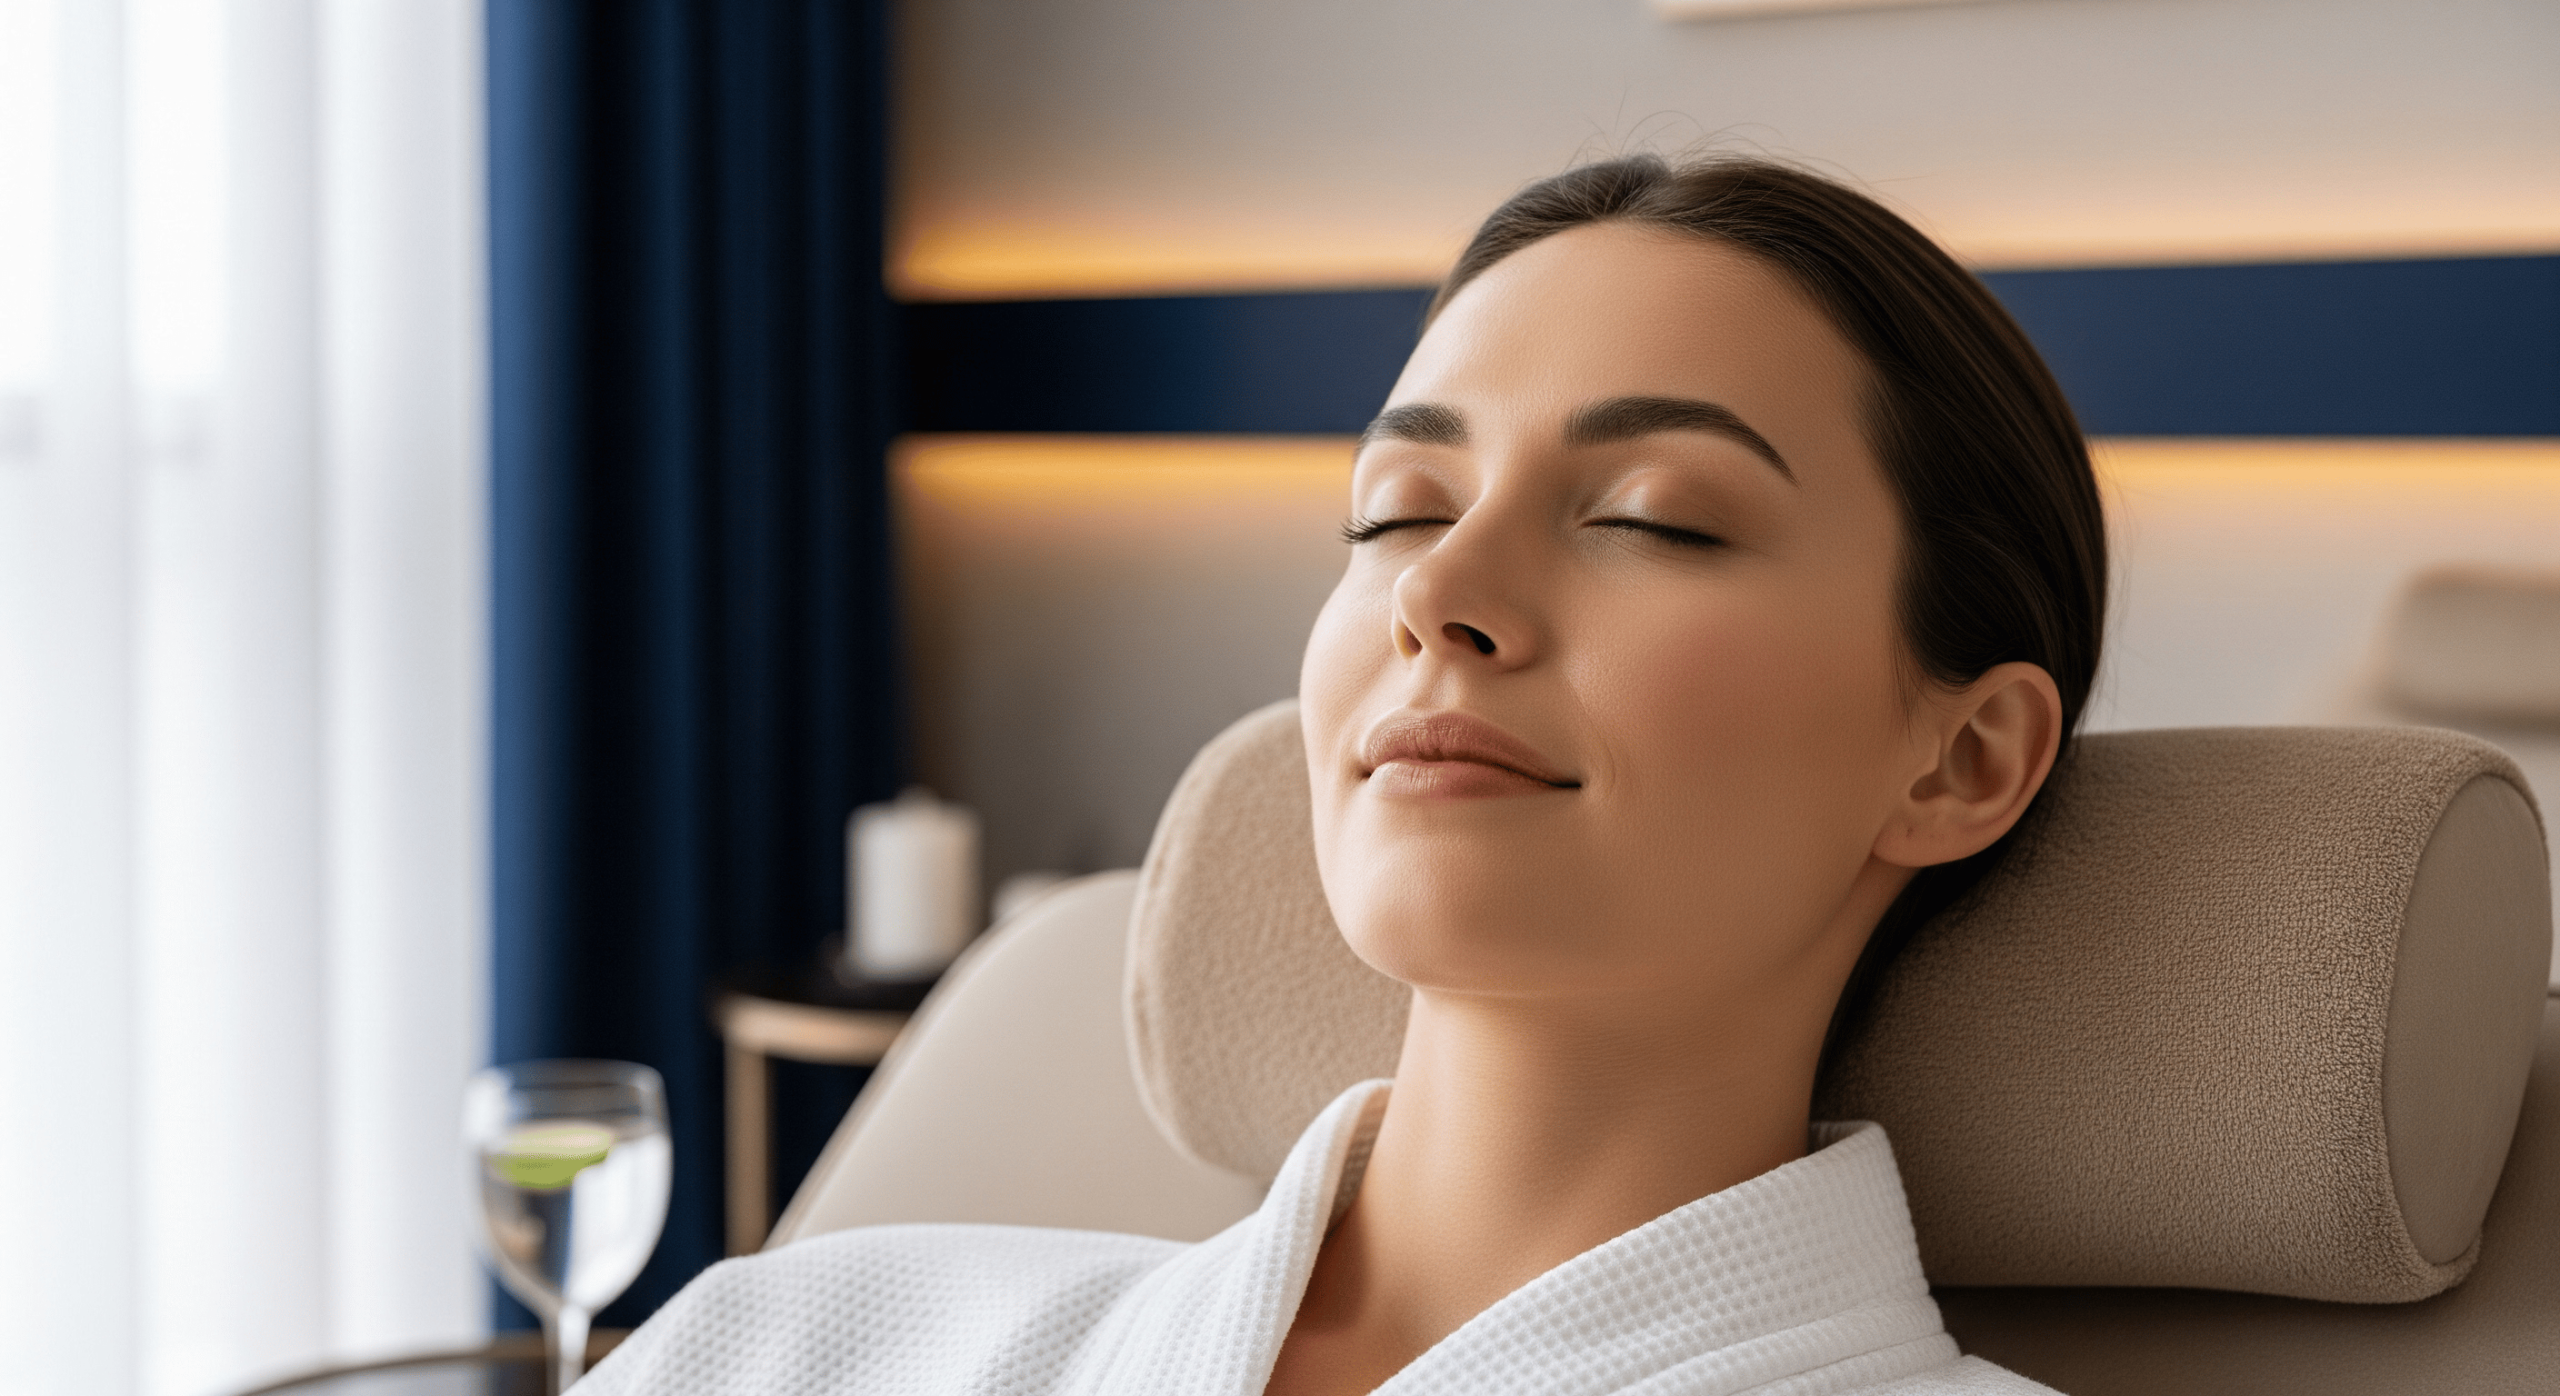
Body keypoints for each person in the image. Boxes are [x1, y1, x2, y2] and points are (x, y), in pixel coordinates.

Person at [583, 153, 2105, 1396]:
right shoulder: (792, 1344)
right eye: (1399, 509)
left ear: (1963, 759)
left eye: (1653, 518)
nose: (1437, 593)